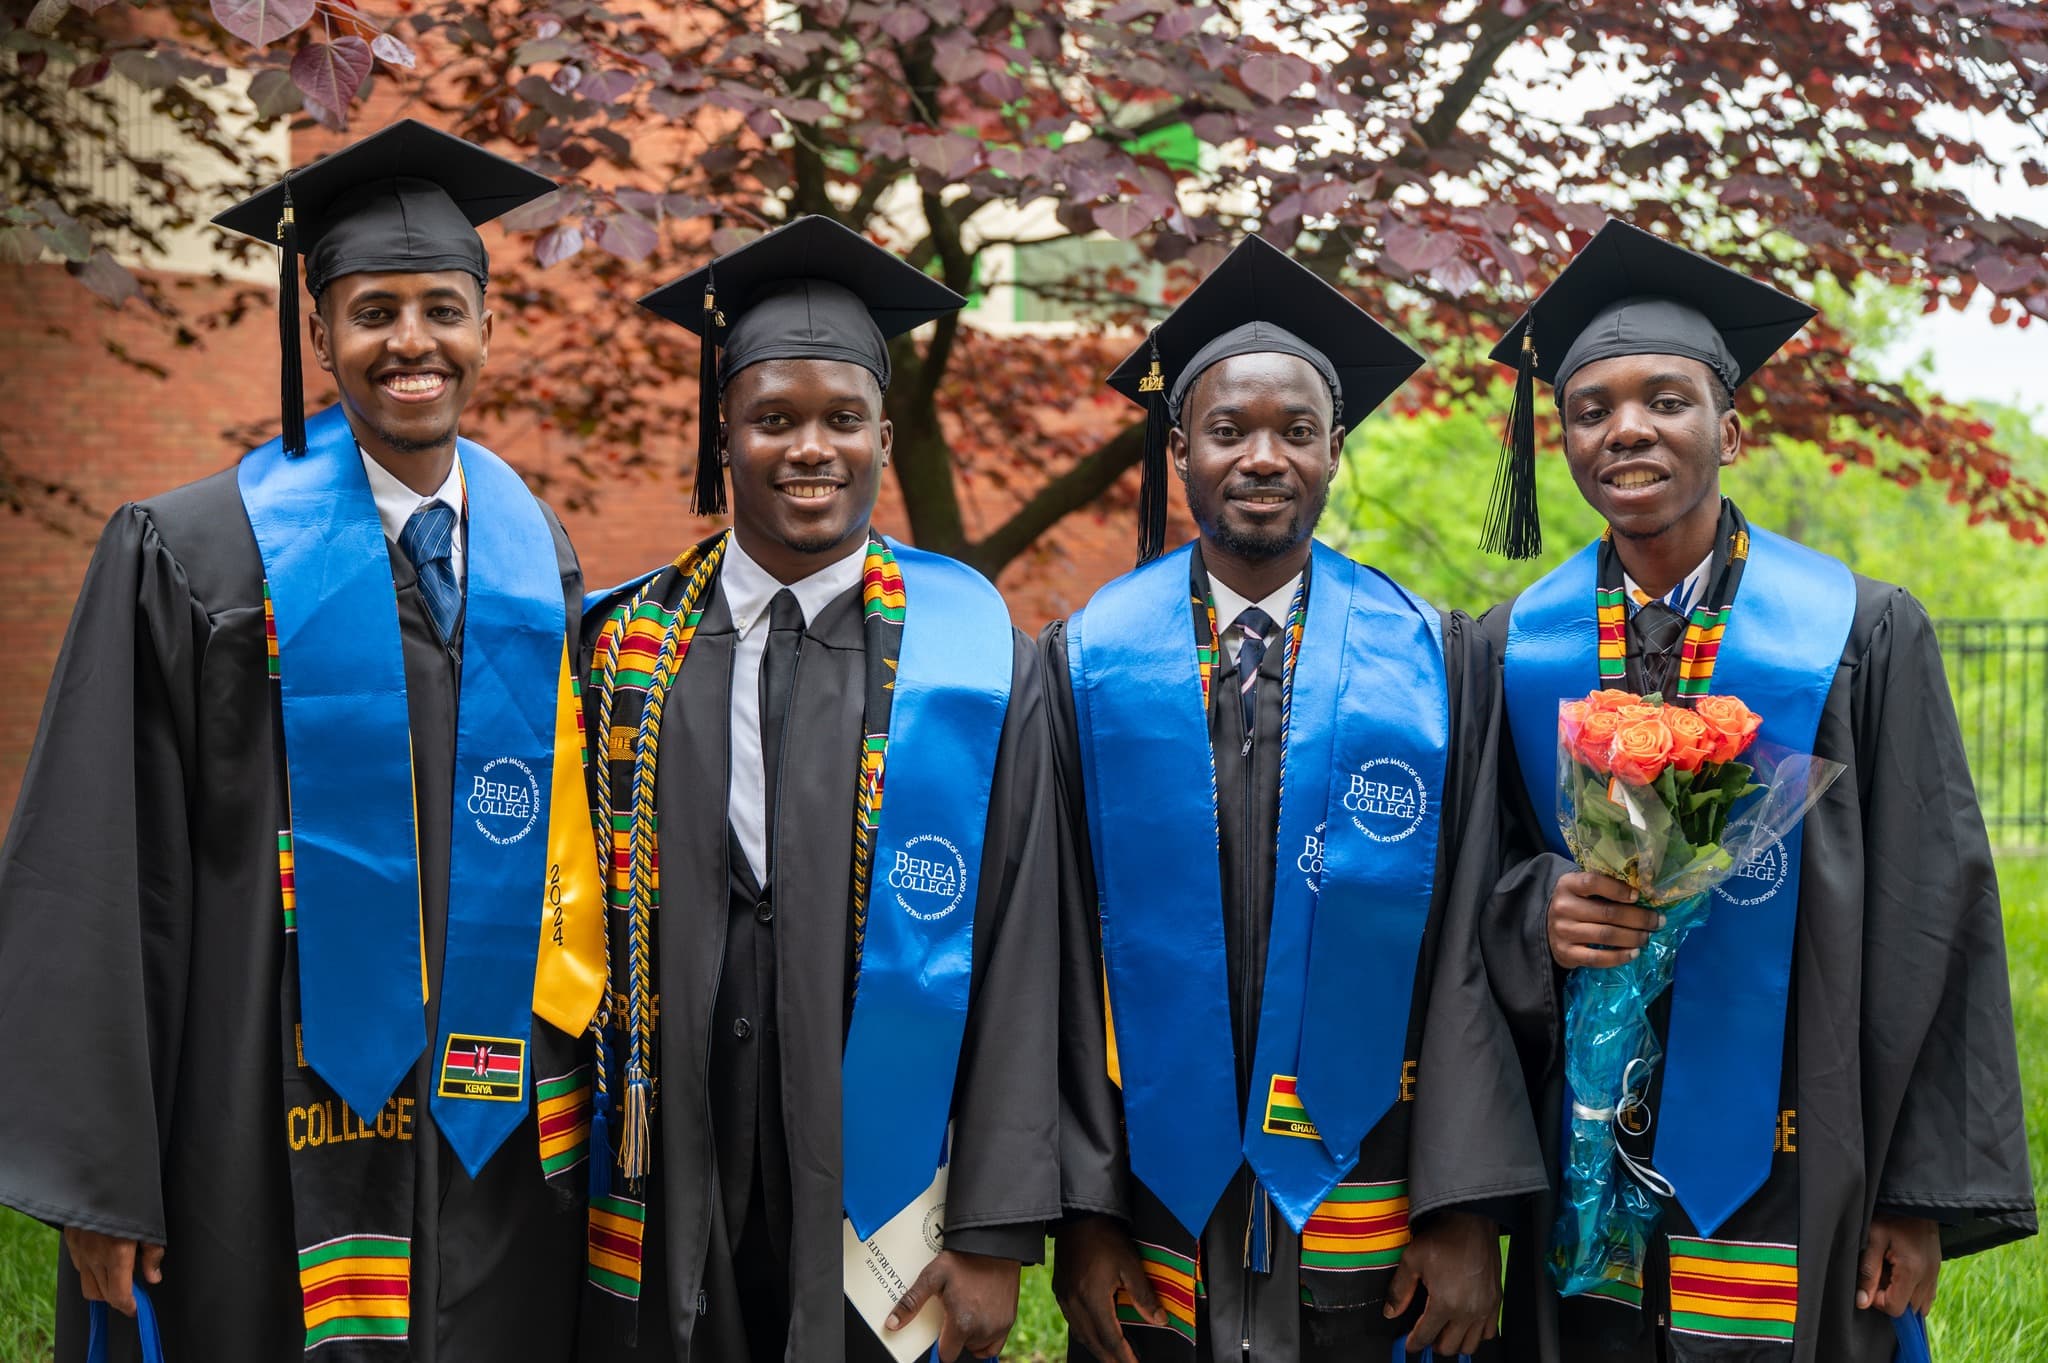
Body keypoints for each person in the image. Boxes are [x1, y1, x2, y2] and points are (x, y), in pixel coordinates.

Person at [0, 119, 605, 1360]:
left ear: (488, 328)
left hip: (489, 1123)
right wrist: (103, 1175)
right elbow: (98, 862)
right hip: (245, 1118)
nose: (411, 342)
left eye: (442, 309)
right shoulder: (193, 553)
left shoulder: (531, 554)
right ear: (318, 335)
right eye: (373, 311)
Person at [1476, 218, 2037, 1361]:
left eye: (1664, 400)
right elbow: (1455, 886)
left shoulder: (1855, 634)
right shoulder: (1509, 647)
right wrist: (1535, 910)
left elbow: (1935, 905)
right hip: (1573, 1130)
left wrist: (1913, 1190)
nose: (1625, 428)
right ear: (1563, 440)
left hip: (1803, 1130)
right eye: (1589, 408)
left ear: (1727, 429)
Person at [1043, 236, 1544, 1363]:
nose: (1262, 457)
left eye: (1297, 431)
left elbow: (1470, 941)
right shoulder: (1084, 665)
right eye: (1228, 430)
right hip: (1154, 1197)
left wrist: (1461, 1207)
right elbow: (1053, 951)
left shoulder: (1434, 664)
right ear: (1179, 449)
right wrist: (1084, 1210)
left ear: (1333, 449)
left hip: (1375, 1195)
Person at [574, 214, 1059, 1363]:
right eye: (772, 418)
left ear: (883, 437)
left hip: (883, 1185)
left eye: (842, 419)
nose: (810, 448)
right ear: (723, 432)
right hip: (668, 1156)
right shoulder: (619, 647)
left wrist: (991, 1224)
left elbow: (1023, 940)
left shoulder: (975, 661)